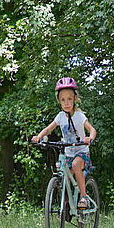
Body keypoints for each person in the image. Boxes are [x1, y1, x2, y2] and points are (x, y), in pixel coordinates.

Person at [32, 77, 97, 209]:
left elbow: (92, 129)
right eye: (63, 100)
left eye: (69, 99)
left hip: (81, 152)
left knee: (76, 164)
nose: (66, 103)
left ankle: (84, 197)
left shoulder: (79, 116)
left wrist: (90, 138)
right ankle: (66, 203)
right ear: (59, 101)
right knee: (63, 177)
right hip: (68, 152)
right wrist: (39, 136)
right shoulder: (60, 116)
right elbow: (49, 129)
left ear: (75, 99)